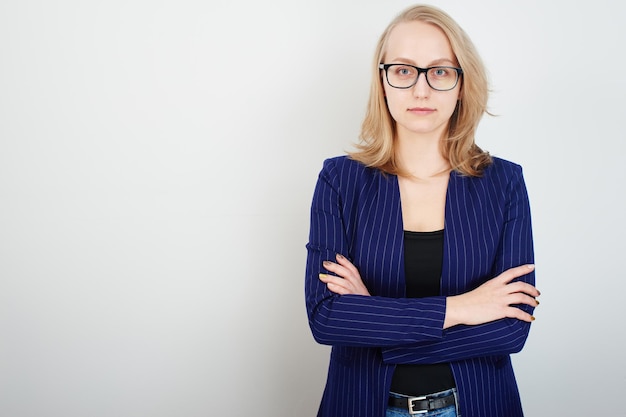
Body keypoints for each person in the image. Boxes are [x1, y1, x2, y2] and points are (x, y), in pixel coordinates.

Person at [304, 4, 540, 417]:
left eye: (441, 71)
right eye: (403, 70)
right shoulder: (339, 181)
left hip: (477, 405)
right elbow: (327, 317)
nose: (421, 89)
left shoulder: (504, 183)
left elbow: (511, 328)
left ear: (462, 84)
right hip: (360, 405)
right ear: (383, 81)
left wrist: (374, 319)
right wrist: (464, 308)